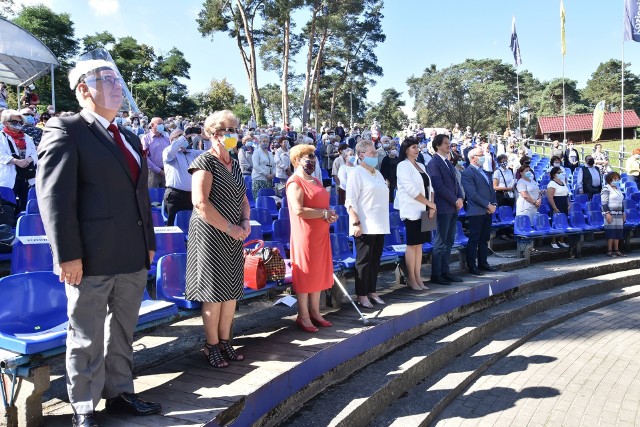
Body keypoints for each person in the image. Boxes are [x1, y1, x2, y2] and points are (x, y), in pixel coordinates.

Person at [37, 57, 160, 426]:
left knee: (122, 331)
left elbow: (140, 198)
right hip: (89, 257)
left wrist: (148, 241)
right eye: (105, 78)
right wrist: (68, 254)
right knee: (86, 335)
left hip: (132, 252)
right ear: (82, 88)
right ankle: (84, 406)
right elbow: (55, 199)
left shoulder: (130, 137)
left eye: (116, 78)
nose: (116, 85)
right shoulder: (66, 129)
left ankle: (120, 392)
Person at [186, 110, 250, 368]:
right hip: (211, 235)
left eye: (235, 129)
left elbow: (244, 199)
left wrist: (245, 222)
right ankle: (211, 345)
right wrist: (229, 228)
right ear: (213, 134)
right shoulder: (204, 162)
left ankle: (225, 342)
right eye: (227, 130)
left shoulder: (233, 164)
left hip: (233, 235)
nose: (233, 134)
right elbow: (200, 203)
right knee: (214, 292)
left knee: (230, 292)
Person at [286, 144, 337, 332]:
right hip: (305, 234)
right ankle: (303, 316)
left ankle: (316, 313)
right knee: (306, 274)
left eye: (314, 156)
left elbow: (321, 205)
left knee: (317, 272)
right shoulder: (295, 182)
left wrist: (329, 215)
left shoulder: (316, 180)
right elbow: (298, 209)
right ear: (297, 160)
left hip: (321, 232)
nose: (312, 160)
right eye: (308, 156)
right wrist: (324, 214)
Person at [345, 139, 390, 307]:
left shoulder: (377, 173)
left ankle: (372, 290)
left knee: (375, 259)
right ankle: (361, 294)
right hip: (364, 224)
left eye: (376, 153)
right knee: (364, 261)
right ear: (361, 155)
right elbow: (350, 201)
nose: (375, 156)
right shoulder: (356, 173)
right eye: (372, 153)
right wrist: (356, 223)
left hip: (380, 223)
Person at [396, 137, 437, 290]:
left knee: (419, 245)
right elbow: (411, 190)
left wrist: (431, 205)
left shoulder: (420, 165)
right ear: (406, 149)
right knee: (412, 245)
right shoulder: (402, 166)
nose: (417, 149)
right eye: (413, 147)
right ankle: (411, 279)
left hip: (424, 210)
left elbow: (430, 188)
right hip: (412, 210)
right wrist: (429, 203)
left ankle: (419, 277)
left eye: (417, 147)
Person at [427, 134, 464, 286]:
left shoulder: (448, 163)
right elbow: (438, 186)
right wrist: (455, 199)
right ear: (437, 146)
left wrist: (460, 197)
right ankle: (436, 274)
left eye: (449, 143)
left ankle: (445, 271)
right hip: (443, 208)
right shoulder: (433, 163)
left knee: (449, 241)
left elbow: (456, 182)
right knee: (440, 241)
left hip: (453, 207)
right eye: (445, 143)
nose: (449, 145)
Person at [461, 147, 498, 276]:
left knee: (484, 238)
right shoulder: (467, 173)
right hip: (476, 211)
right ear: (472, 158)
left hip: (487, 211)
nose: (483, 157)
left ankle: (483, 263)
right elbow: (472, 194)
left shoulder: (485, 172)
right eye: (480, 155)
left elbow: (491, 190)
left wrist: (493, 204)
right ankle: (472, 265)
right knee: (474, 239)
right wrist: (488, 205)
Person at [163, 128, 204, 225]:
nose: (185, 139)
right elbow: (170, 152)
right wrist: (184, 136)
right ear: (172, 140)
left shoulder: (193, 153)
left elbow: (209, 153)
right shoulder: (168, 152)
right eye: (178, 136)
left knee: (193, 225)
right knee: (172, 225)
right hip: (175, 195)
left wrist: (205, 138)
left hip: (192, 195)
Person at [0, 109, 38, 211]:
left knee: (25, 203)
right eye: (14, 122)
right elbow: (1, 155)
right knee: (7, 205)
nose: (18, 124)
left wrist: (29, 160)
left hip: (26, 175)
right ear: (5, 123)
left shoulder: (26, 137)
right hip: (9, 175)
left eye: (20, 122)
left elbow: (35, 153)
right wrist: (16, 161)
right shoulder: (1, 137)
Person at [601, 171, 626, 257]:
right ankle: (609, 250)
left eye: (618, 179)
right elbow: (604, 202)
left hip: (619, 213)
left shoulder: (618, 189)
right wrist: (607, 213)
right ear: (610, 179)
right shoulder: (606, 188)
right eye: (615, 179)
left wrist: (623, 213)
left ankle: (617, 250)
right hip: (610, 213)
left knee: (618, 232)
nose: (617, 180)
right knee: (611, 232)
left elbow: (621, 202)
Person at [141, 117, 170, 188]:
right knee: (154, 196)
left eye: (163, 124)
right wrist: (159, 170)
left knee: (166, 196)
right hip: (153, 173)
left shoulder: (166, 138)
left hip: (167, 171)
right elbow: (145, 157)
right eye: (159, 124)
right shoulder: (146, 139)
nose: (162, 126)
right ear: (152, 125)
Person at [492, 153, 516, 239]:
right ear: (499, 162)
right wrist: (507, 188)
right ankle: (502, 233)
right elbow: (495, 186)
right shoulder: (497, 172)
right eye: (503, 161)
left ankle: (509, 231)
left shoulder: (510, 171)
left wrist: (512, 187)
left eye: (506, 160)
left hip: (510, 194)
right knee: (503, 212)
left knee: (509, 212)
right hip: (501, 194)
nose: (505, 162)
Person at [546, 166, 570, 249]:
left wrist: (568, 204)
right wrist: (555, 208)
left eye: (561, 172)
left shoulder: (563, 182)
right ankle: (553, 241)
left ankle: (561, 240)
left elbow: (566, 195)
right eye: (558, 173)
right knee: (555, 222)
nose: (561, 174)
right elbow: (550, 197)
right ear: (554, 174)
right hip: (556, 203)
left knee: (563, 222)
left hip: (564, 203)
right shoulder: (552, 184)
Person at [251, 134, 275, 199]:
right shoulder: (256, 152)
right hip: (258, 179)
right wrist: (266, 174)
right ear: (260, 142)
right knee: (259, 200)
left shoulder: (270, 153)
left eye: (267, 141)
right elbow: (256, 165)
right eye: (264, 141)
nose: (266, 143)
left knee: (268, 200)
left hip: (268, 180)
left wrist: (273, 174)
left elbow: (274, 165)